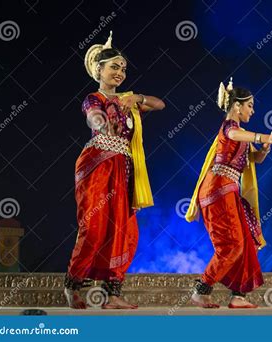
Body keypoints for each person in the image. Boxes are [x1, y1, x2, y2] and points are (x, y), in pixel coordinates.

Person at [64, 31, 165, 309]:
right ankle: (73, 285)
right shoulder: (93, 98)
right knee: (94, 226)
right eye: (114, 66)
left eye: (123, 68)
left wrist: (137, 98)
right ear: (99, 69)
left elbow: (160, 104)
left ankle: (112, 294)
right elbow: (92, 115)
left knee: (125, 230)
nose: (120, 72)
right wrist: (100, 122)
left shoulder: (128, 102)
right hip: (97, 164)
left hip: (123, 168)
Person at [185, 78, 272, 308]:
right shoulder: (229, 127)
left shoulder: (241, 133)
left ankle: (238, 295)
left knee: (246, 242)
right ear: (237, 106)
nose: (253, 110)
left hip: (229, 191)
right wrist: (263, 137)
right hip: (217, 189)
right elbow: (234, 135)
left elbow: (255, 159)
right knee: (231, 246)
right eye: (250, 105)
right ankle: (202, 289)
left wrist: (266, 148)